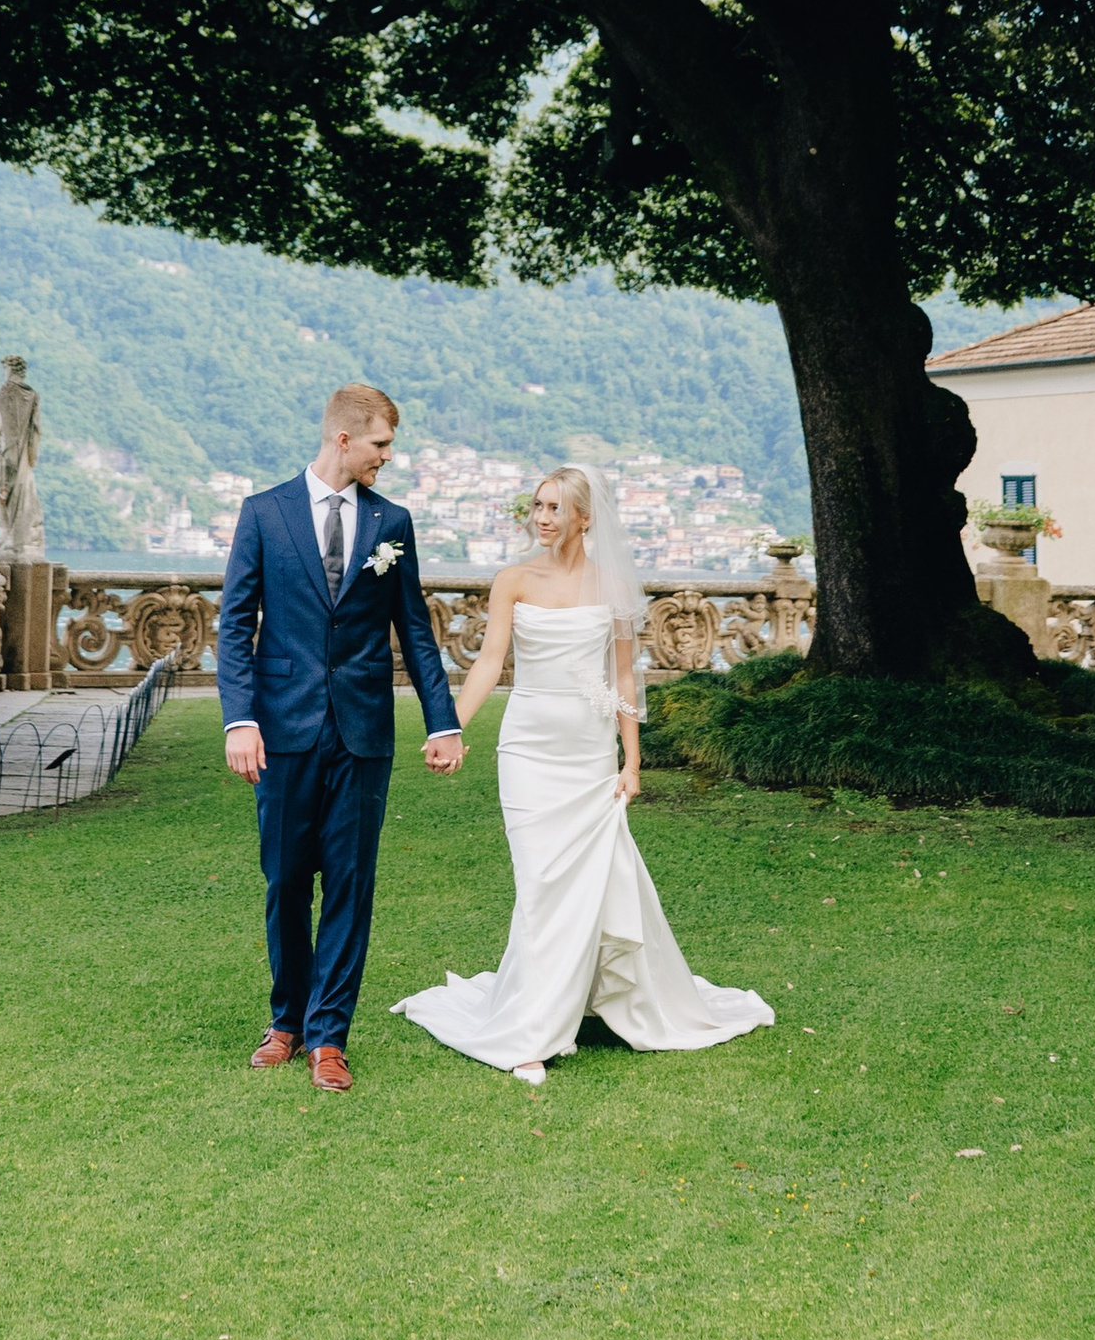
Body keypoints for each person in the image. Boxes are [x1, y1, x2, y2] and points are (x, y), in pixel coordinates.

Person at [395, 464, 775, 1084]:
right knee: (541, 886)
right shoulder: (512, 580)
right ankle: (531, 1032)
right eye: (537, 507)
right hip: (527, 751)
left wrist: (632, 758)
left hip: (589, 754)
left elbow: (625, 678)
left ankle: (581, 1008)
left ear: (584, 517)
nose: (541, 518)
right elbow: (490, 663)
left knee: (591, 885)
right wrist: (450, 726)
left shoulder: (611, 587)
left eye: (553, 508)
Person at [217, 383, 462, 1092]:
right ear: (344, 439)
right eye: (382, 444)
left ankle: (329, 1035)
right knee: (286, 881)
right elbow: (235, 625)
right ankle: (286, 1021)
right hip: (282, 732)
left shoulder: (394, 522)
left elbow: (414, 629)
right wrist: (240, 719)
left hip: (362, 734)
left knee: (351, 885)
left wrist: (442, 721)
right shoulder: (264, 513)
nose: (388, 457)